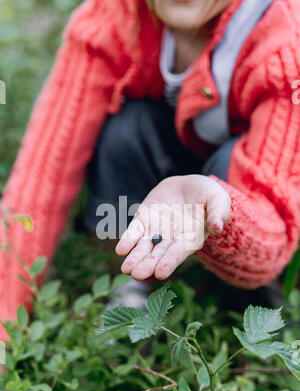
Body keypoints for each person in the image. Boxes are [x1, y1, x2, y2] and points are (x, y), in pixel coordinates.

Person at [0, 0, 299, 341]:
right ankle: (132, 278)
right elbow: (42, 177)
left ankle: (269, 311)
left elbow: (274, 224)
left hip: (254, 200)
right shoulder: (113, 18)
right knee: (124, 130)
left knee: (229, 165)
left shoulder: (285, 45)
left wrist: (223, 212)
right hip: (174, 163)